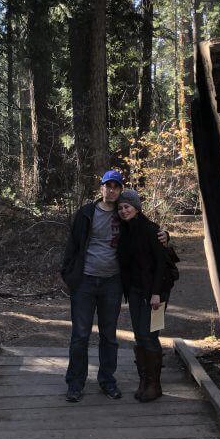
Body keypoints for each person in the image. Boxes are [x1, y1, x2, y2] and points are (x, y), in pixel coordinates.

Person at [60, 170, 126, 402]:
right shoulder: (86, 213)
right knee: (80, 335)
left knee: (109, 335)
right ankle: (75, 384)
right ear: (101, 188)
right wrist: (68, 275)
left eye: (115, 187)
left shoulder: (124, 213)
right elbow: (72, 245)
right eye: (107, 186)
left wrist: (165, 234)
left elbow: (145, 231)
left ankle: (107, 381)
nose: (111, 190)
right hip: (85, 281)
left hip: (113, 282)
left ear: (120, 190)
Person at [116, 188, 177, 403]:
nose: (124, 210)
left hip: (155, 292)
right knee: (139, 335)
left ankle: (154, 384)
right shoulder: (124, 231)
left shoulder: (151, 231)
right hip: (134, 291)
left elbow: (161, 263)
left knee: (150, 335)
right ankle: (144, 379)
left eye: (128, 207)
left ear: (137, 208)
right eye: (121, 207)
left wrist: (156, 294)